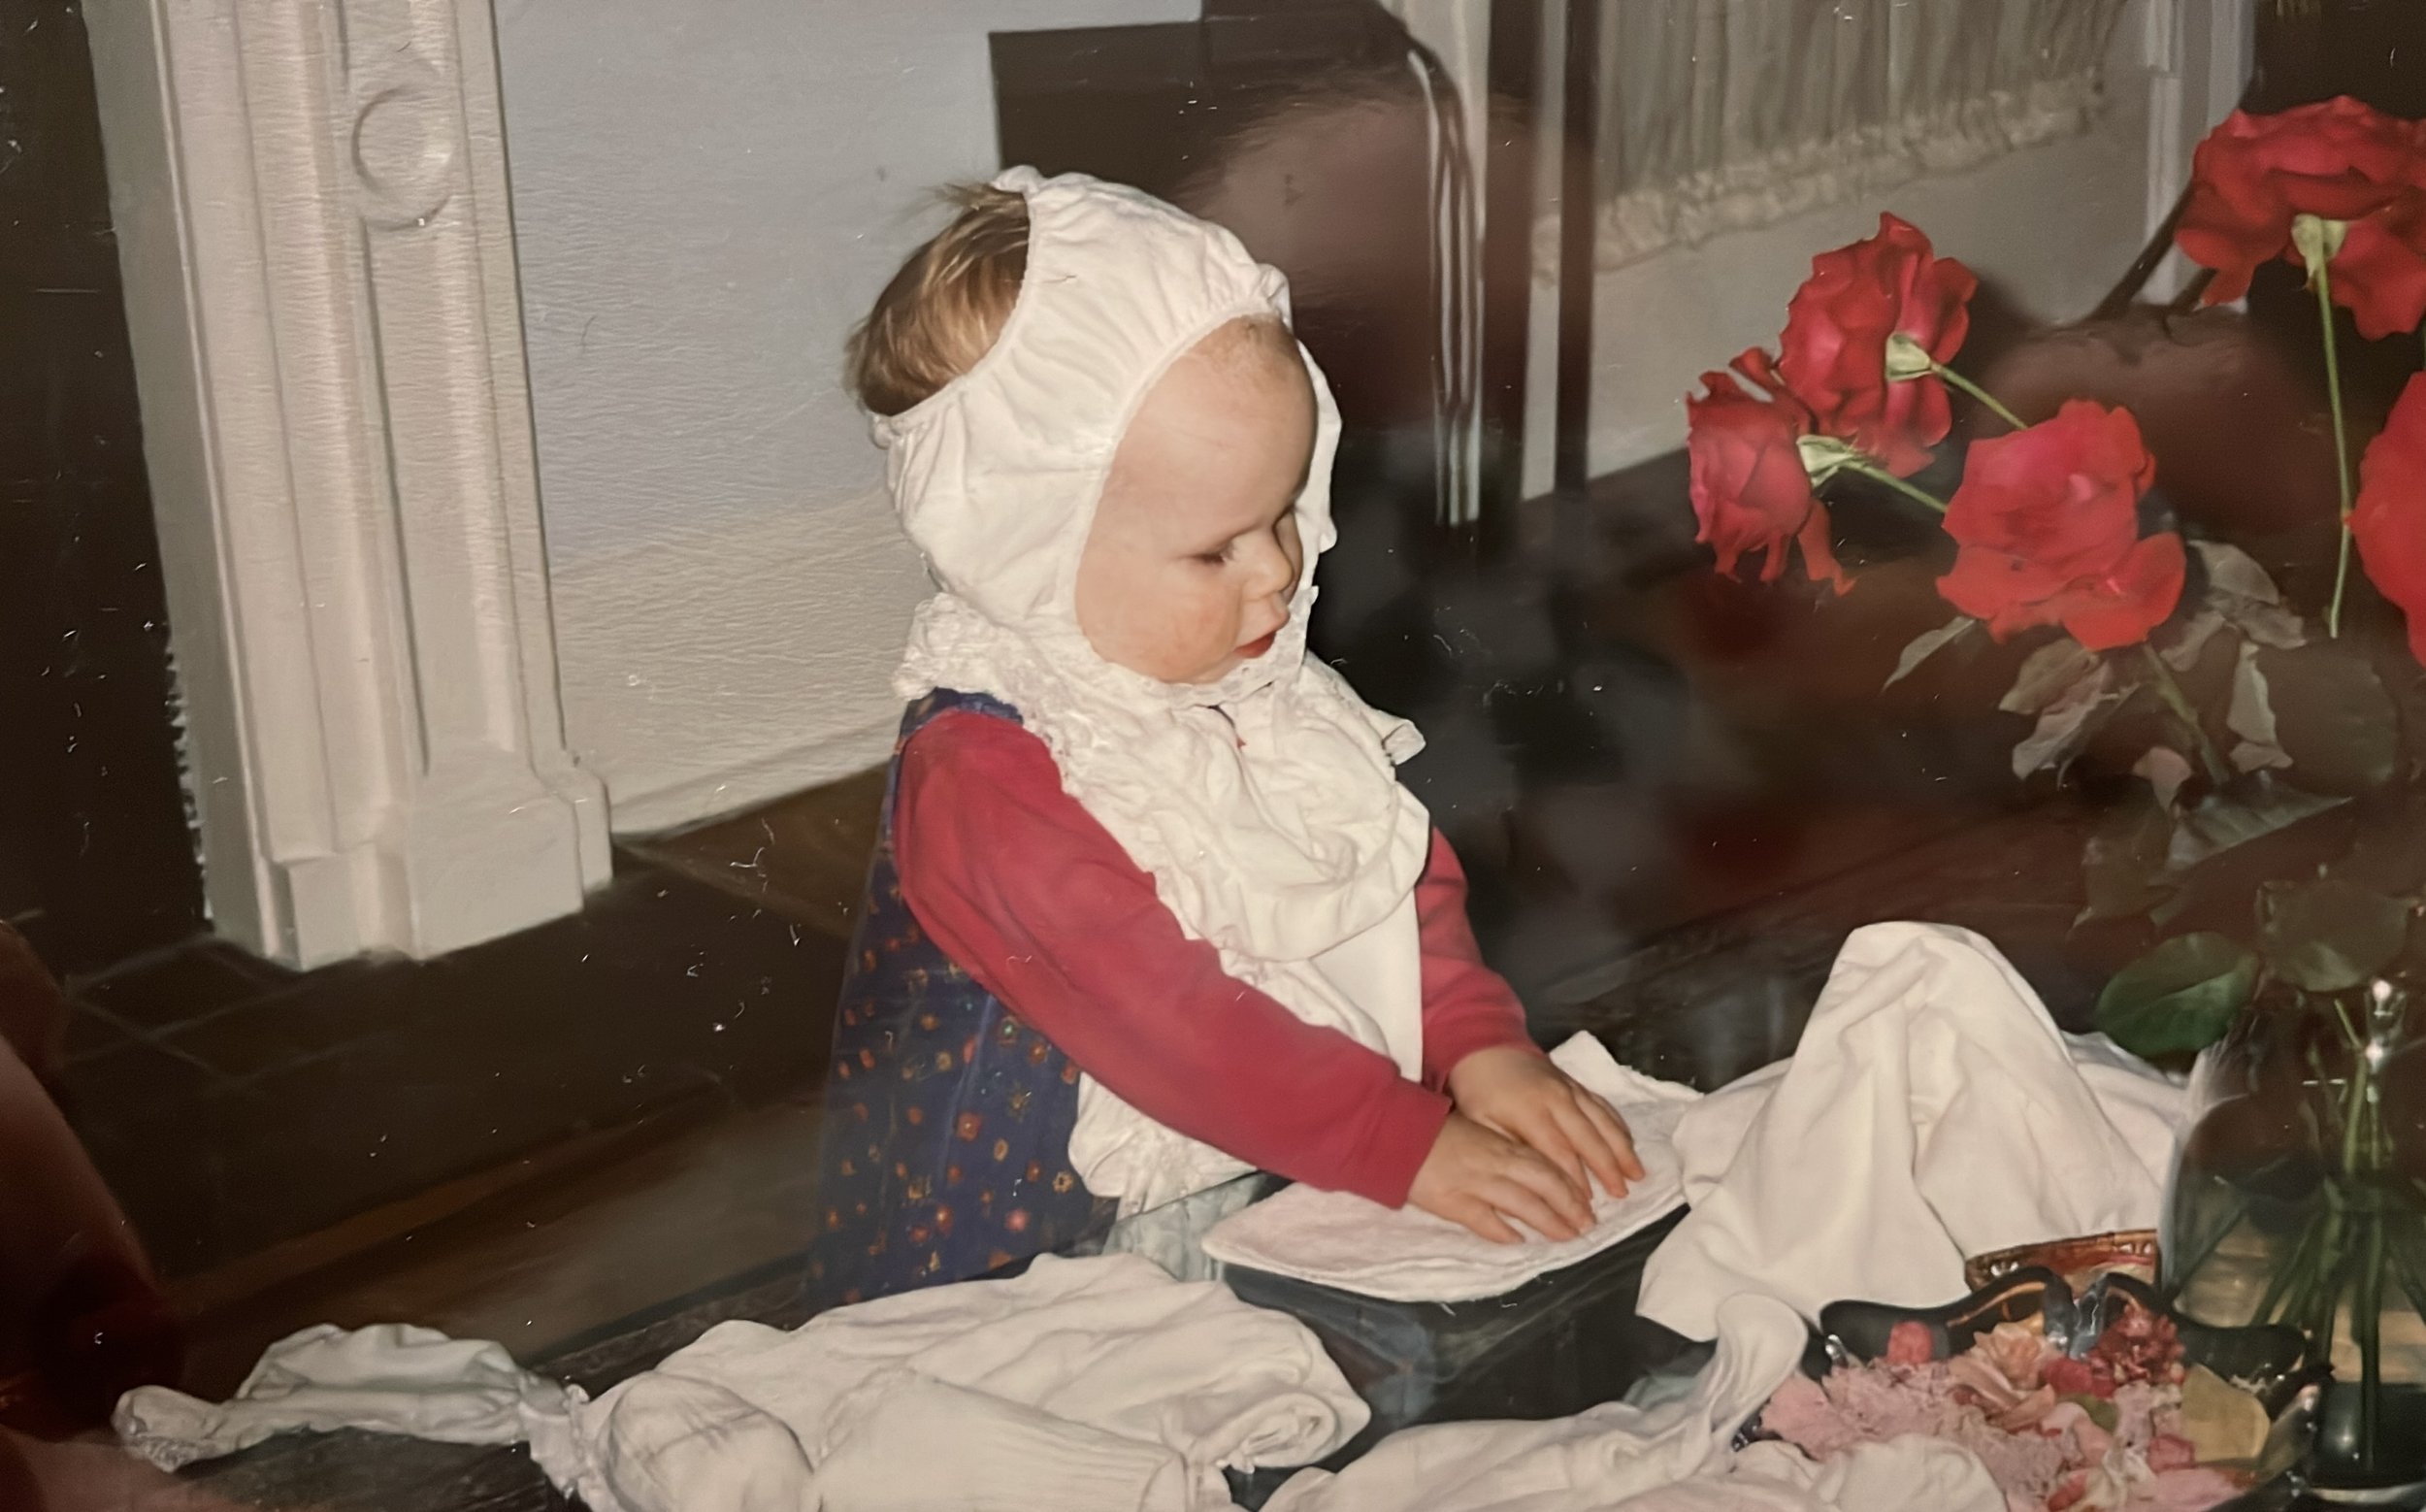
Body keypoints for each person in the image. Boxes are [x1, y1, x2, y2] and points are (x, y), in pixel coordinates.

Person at [807, 169, 1642, 1307]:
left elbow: (1382, 885)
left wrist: (1476, 1040)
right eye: (1217, 549)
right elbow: (1176, 1026)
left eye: (1285, 510)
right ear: (1028, 550)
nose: (1280, 570)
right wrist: (1403, 1145)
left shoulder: (1243, 675)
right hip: (1044, 1251)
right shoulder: (989, 776)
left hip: (1298, 1144)